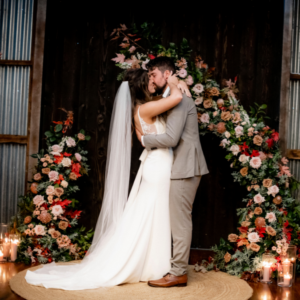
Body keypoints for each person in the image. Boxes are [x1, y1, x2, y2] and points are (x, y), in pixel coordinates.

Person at [24, 67, 190, 290]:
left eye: (153, 75)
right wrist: (176, 81)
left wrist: (176, 85)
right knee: (155, 212)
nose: (152, 79)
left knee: (153, 213)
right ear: (141, 84)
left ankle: (153, 264)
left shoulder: (141, 108)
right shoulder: (147, 108)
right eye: (149, 77)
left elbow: (146, 137)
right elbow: (176, 98)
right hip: (158, 166)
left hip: (156, 164)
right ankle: (152, 265)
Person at [136, 57, 209, 288]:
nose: (152, 78)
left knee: (180, 221)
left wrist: (144, 139)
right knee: (178, 219)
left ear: (167, 74)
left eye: (154, 74)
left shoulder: (178, 100)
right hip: (180, 165)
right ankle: (175, 269)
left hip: (185, 166)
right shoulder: (171, 96)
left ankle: (178, 273)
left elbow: (171, 138)